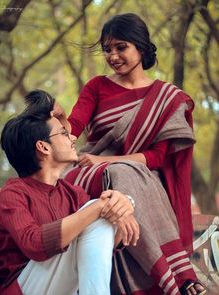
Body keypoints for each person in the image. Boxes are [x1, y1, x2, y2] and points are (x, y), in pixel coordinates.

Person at [65, 13, 206, 295]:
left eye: (120, 47)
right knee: (121, 173)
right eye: (107, 49)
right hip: (90, 173)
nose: (113, 56)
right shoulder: (97, 86)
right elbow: (74, 126)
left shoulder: (167, 98)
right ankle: (177, 275)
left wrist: (107, 161)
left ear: (140, 47)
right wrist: (56, 128)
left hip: (139, 176)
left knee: (129, 174)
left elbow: (155, 157)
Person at [0, 90, 139, 295]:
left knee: (101, 212)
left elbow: (98, 241)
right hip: (23, 288)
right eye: (63, 133)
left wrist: (122, 208)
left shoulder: (72, 193)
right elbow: (34, 244)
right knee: (97, 208)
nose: (72, 137)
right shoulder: (13, 194)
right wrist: (100, 206)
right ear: (43, 147)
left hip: (63, 288)